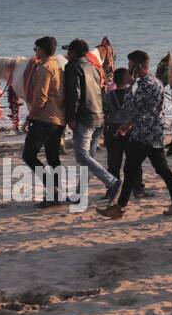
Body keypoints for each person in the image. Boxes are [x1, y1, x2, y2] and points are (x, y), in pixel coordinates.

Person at [98, 50, 172, 218]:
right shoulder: (156, 81)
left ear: (137, 66)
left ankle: (119, 208)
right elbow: (144, 111)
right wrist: (128, 125)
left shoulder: (143, 84)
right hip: (153, 132)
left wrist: (130, 85)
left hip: (144, 134)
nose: (128, 69)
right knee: (162, 169)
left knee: (130, 169)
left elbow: (130, 106)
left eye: (130, 66)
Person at [63, 38, 118, 203]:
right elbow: (101, 90)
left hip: (85, 117)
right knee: (88, 157)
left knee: (82, 155)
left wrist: (70, 118)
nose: (67, 54)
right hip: (99, 116)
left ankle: (112, 181)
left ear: (73, 52)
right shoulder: (94, 67)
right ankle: (79, 194)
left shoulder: (72, 67)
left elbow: (74, 94)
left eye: (69, 51)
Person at [21, 37, 65, 196]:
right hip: (59, 118)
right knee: (53, 158)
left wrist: (30, 118)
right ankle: (57, 191)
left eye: (36, 48)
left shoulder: (44, 68)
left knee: (28, 155)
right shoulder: (57, 65)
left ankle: (52, 189)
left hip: (46, 119)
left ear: (43, 50)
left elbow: (41, 98)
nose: (35, 51)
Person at [101, 67, 133, 190]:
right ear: (126, 79)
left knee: (113, 161)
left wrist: (104, 133)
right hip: (129, 128)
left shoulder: (108, 96)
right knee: (133, 160)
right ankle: (137, 188)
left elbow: (103, 114)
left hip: (113, 129)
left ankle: (112, 186)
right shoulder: (131, 95)